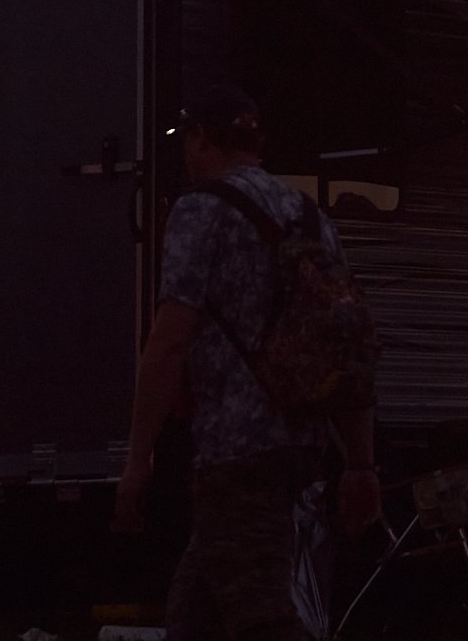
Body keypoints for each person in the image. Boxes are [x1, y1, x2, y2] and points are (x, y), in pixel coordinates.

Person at [114, 84, 382, 640]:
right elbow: (346, 341)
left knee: (261, 620)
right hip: (304, 445)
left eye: (186, 138)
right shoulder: (309, 216)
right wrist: (361, 464)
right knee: (194, 615)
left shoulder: (201, 210)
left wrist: (138, 459)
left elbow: (169, 341)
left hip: (238, 453)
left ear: (200, 138)